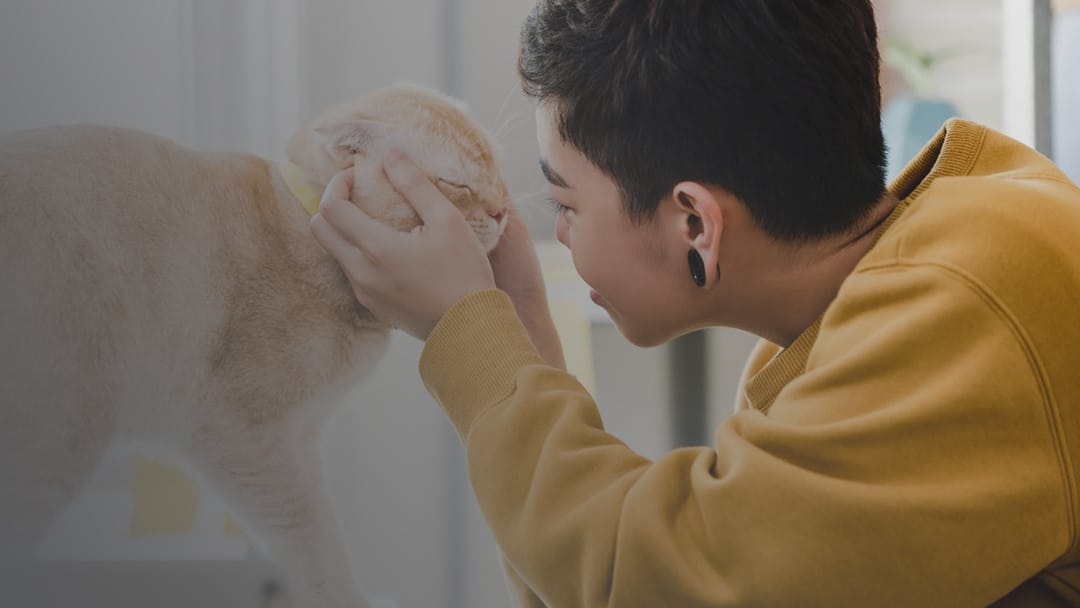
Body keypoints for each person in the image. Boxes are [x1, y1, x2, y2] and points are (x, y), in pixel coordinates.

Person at [310, 0, 1080, 605]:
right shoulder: (858, 322)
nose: (560, 233)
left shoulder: (970, 301)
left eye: (565, 202)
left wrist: (468, 341)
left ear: (693, 223)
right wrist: (521, 333)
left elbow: (664, 586)